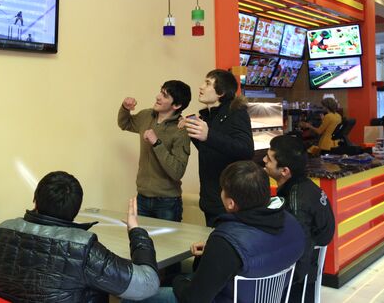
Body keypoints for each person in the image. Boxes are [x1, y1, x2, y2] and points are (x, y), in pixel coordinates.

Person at [124, 161, 305, 303]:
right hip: (264, 297)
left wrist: (178, 280)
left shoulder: (226, 241)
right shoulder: (291, 222)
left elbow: (194, 299)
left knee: (135, 295)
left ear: (230, 203)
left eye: (223, 190)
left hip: (226, 299)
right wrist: (211, 254)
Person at [0, 171, 160, 302]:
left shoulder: (1, 230)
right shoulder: (83, 248)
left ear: (35, 200)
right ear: (76, 210)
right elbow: (147, 283)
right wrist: (136, 231)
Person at [264, 135, 335, 303]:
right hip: (308, 269)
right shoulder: (305, 186)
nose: (264, 160)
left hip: (299, 284)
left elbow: (301, 248)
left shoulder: (296, 201)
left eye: (269, 158)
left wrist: (287, 281)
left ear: (284, 171)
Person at [183, 69, 254, 227]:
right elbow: (209, 150)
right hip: (210, 200)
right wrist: (193, 132)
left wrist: (209, 135)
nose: (201, 87)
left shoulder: (236, 113)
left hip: (228, 202)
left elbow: (246, 150)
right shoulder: (208, 116)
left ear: (221, 92)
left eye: (207, 83)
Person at [118, 80, 192, 222]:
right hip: (142, 197)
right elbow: (124, 123)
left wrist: (156, 143)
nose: (158, 97)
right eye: (160, 92)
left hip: (167, 203)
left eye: (164, 96)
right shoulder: (146, 116)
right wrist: (125, 108)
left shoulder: (181, 130)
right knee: (140, 241)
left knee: (166, 244)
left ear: (176, 105)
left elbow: (177, 172)